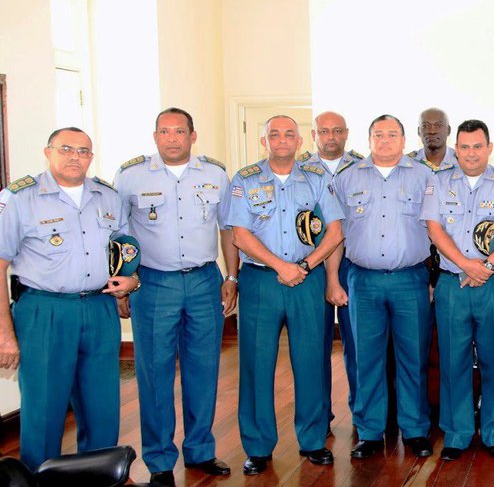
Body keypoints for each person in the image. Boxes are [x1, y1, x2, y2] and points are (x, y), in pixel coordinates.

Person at [0, 127, 139, 471]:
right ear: (47, 152)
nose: (75, 157)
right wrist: (4, 333)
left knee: (101, 406)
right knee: (44, 407)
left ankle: (97, 477)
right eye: (66, 149)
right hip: (44, 311)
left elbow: (127, 250)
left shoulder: (108, 196)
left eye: (83, 151)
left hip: (98, 307)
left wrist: (131, 281)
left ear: (91, 157)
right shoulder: (19, 198)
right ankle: (40, 478)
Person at [114, 108, 239, 486]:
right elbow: (118, 235)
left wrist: (231, 276)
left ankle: (201, 450)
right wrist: (124, 281)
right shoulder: (130, 175)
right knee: (154, 374)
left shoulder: (215, 173)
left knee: (204, 370)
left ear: (192, 135)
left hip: (204, 281)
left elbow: (228, 229)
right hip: (153, 284)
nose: (172, 138)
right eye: (164, 131)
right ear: (155, 137)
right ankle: (160, 461)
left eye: (179, 131)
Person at [226, 115, 345, 475]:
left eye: (288, 134)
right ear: (263, 142)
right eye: (274, 135)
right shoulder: (244, 180)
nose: (281, 140)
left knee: (310, 361)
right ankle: (258, 447)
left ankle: (312, 440)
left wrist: (306, 267)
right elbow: (240, 235)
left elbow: (335, 230)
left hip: (305, 280)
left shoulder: (317, 178)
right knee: (256, 364)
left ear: (299, 140)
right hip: (262, 281)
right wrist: (281, 266)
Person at [331, 114, 435, 460]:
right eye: (379, 134)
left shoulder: (424, 176)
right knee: (366, 358)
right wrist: (333, 279)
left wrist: (434, 279)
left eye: (392, 135)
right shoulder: (348, 179)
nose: (385, 140)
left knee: (413, 357)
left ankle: (416, 430)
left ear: (404, 141)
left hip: (411, 279)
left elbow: (437, 230)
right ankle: (371, 431)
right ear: (370, 138)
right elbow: (335, 234)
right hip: (364, 280)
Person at [422, 119, 494, 461]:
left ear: (489, 147)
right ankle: (457, 433)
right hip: (453, 284)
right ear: (456, 148)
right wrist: (467, 265)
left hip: (493, 284)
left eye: (477, 146)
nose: (470, 153)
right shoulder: (438, 182)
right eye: (464, 147)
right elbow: (435, 230)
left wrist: (487, 267)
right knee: (454, 360)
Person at [298, 111, 364, 425]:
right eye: (323, 131)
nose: (330, 137)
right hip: (310, 266)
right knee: (315, 345)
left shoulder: (363, 166)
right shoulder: (298, 168)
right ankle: (319, 415)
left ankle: (363, 415)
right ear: (314, 135)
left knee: (358, 345)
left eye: (337, 131)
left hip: (353, 263)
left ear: (346, 133)